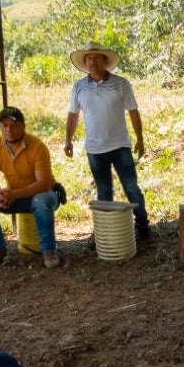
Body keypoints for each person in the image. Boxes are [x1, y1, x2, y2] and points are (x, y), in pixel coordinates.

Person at [63, 42, 151, 241]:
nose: (92, 62)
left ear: (105, 60)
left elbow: (133, 112)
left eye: (95, 57)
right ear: (85, 62)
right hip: (94, 148)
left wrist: (140, 139)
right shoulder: (79, 87)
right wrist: (68, 140)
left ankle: (143, 226)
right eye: (88, 58)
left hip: (120, 145)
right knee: (104, 192)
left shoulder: (121, 83)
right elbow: (73, 115)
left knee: (131, 188)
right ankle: (106, 231)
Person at [0, 106, 61, 270]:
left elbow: (43, 183)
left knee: (41, 200)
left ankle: (49, 251)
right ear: (0, 126)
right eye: (4, 125)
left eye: (13, 125)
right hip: (14, 196)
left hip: (44, 195)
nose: (9, 129)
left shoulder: (37, 146)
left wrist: (14, 194)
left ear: (23, 126)